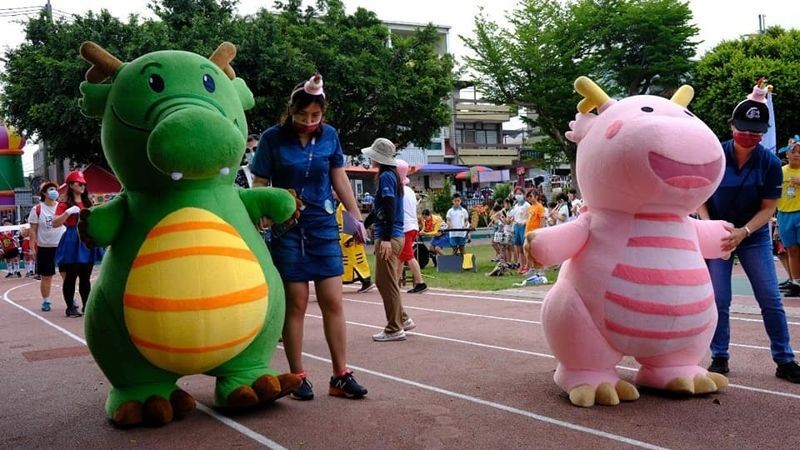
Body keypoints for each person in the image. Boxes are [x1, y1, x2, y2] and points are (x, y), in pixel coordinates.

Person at [250, 73, 368, 400]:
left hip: (323, 224)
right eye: (303, 116)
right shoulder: (273, 138)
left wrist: (356, 217)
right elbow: (260, 181)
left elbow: (340, 178)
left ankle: (340, 375)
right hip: (287, 227)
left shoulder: (330, 136)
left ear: (323, 114)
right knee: (296, 304)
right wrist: (262, 209)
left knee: (333, 300)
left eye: (315, 116)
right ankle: (297, 375)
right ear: (291, 111)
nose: (309, 122)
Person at [699, 82, 800, 383]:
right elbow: (700, 196)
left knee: (770, 297)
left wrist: (743, 232)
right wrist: (709, 225)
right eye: (743, 129)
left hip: (752, 235)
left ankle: (784, 359)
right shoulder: (713, 155)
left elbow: (769, 207)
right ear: (732, 127)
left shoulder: (769, 162)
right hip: (717, 233)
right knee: (719, 298)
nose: (750, 136)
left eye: (756, 131)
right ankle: (720, 357)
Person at [362, 138, 414, 341]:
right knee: (386, 281)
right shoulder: (391, 176)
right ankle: (403, 318)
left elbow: (389, 207)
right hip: (393, 235)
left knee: (386, 283)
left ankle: (394, 327)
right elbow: (381, 208)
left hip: (389, 236)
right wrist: (364, 225)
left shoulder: (385, 177)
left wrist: (384, 238)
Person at [53, 170, 98, 317]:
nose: (83, 186)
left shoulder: (88, 202)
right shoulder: (64, 203)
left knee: (86, 276)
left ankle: (87, 305)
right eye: (79, 183)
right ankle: (70, 307)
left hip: (86, 239)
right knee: (71, 276)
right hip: (72, 239)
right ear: (71, 185)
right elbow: (55, 223)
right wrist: (67, 213)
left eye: (84, 183)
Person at [28, 181, 66, 313]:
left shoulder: (62, 207)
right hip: (45, 247)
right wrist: (32, 247)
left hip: (62, 246)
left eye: (56, 189)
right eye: (51, 189)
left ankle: (70, 299)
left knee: (66, 274)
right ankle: (46, 301)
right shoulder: (37, 209)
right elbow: (32, 230)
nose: (54, 191)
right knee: (46, 276)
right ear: (44, 193)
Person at [395, 160, 426, 294]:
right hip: (412, 226)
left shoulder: (398, 191)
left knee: (408, 255)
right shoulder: (409, 190)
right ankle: (395, 283)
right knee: (401, 257)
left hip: (405, 226)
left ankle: (420, 282)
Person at [335, 196, 375, 293]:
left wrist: (348, 238)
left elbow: (348, 222)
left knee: (354, 261)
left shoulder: (344, 205)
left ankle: (366, 281)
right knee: (355, 261)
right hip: (348, 238)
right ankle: (365, 281)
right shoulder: (342, 205)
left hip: (349, 239)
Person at [777, 140, 800, 297]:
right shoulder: (780, 172)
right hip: (784, 214)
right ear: (787, 154)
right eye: (794, 152)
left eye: (799, 152)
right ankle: (795, 282)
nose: (797, 155)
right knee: (790, 249)